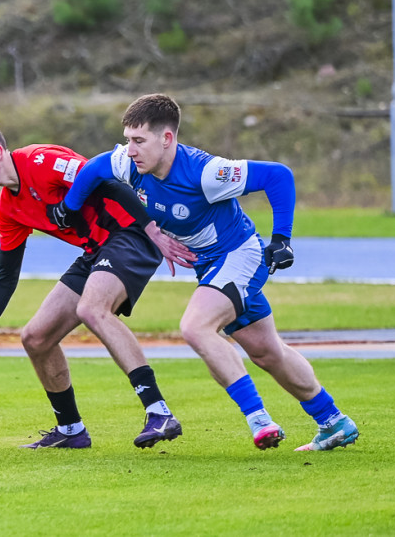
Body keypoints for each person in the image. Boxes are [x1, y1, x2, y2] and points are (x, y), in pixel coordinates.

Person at [52, 93, 359, 451]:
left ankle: (259, 420)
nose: (130, 149)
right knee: (266, 351)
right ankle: (334, 421)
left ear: (167, 139)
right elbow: (93, 169)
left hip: (239, 255)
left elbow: (279, 176)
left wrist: (282, 239)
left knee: (196, 327)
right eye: (127, 140)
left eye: (139, 141)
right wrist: (68, 206)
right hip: (209, 264)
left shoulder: (208, 173)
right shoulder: (129, 163)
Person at [0, 118, 191, 449]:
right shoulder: (8, 208)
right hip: (97, 249)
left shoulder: (40, 160)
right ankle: (71, 430)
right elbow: (6, 275)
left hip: (130, 232)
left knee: (92, 308)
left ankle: (159, 412)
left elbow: (107, 182)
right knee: (35, 337)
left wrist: (153, 232)